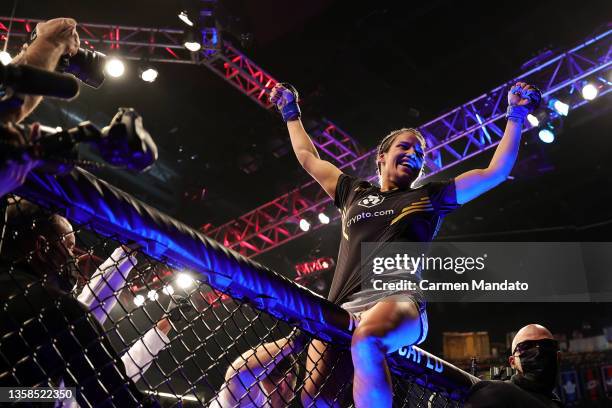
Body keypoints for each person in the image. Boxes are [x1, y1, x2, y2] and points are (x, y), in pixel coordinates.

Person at [267, 81, 542, 407]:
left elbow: (495, 172)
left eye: (420, 153)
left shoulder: (430, 196)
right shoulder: (353, 192)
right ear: (381, 157)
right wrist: (290, 112)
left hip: (397, 300)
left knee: (367, 341)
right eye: (405, 147)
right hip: (342, 306)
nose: (414, 154)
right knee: (317, 399)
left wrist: (515, 114)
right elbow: (307, 156)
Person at [0, 199, 154, 407]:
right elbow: (114, 394)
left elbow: (7, 393)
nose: (74, 258)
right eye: (70, 247)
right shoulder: (58, 307)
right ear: (43, 247)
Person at [465, 324, 563, 407]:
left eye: (547, 345)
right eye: (526, 346)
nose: (538, 351)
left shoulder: (554, 401)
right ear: (512, 362)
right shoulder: (498, 392)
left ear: (558, 356)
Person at [209, 330, 309, 407]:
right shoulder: (255, 399)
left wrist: (294, 341)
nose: (291, 397)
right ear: (286, 381)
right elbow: (241, 372)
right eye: (293, 387)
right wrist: (293, 341)